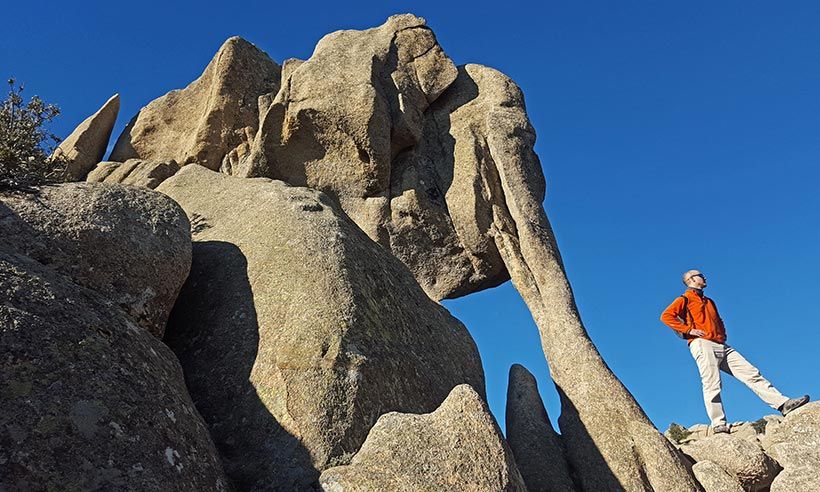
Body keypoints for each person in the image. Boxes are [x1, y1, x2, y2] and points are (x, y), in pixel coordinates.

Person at [660, 269, 809, 434]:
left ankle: (783, 404)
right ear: (691, 279)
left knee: (751, 372)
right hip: (702, 343)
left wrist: (722, 333)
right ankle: (718, 424)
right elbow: (666, 316)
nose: (704, 277)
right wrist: (689, 330)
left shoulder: (709, 301)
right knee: (712, 382)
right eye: (701, 275)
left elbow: (718, 319)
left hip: (721, 344)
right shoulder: (685, 298)